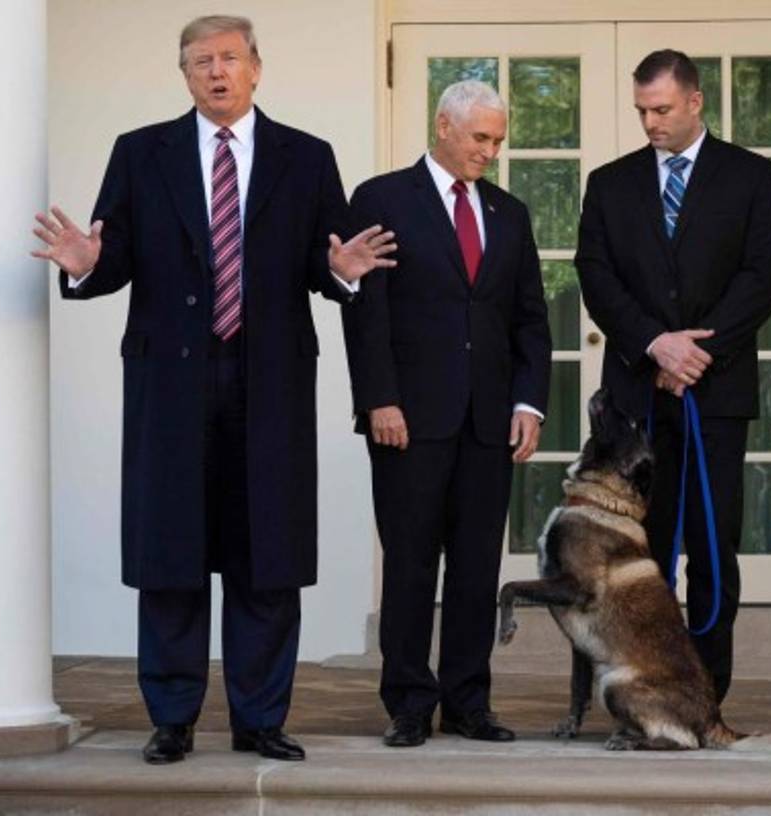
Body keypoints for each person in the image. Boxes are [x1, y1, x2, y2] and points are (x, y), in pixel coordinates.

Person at [30, 15, 394, 765]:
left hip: (271, 384)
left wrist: (343, 274)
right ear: (185, 75)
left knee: (267, 554)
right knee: (172, 553)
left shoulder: (306, 156)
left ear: (257, 67)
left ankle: (261, 719)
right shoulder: (141, 154)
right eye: (200, 62)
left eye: (229, 58)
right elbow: (113, 257)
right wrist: (84, 263)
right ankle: (173, 718)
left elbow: (326, 262)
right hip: (171, 384)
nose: (216, 71)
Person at [342, 80, 552, 748]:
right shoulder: (381, 198)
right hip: (407, 417)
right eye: (479, 137)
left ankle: (468, 701)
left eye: (497, 139)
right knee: (409, 563)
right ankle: (408, 702)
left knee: (474, 568)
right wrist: (380, 398)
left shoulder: (510, 213)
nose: (489, 151)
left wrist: (529, 402)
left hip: (489, 422)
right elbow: (365, 310)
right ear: (442, 127)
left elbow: (530, 321)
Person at [574, 49, 771, 704]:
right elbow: (596, 276)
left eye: (661, 109)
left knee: (712, 542)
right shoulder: (610, 184)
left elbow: (763, 277)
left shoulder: (751, 177)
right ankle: (639, 688)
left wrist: (699, 352)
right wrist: (655, 344)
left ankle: (704, 693)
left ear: (696, 101)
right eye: (641, 110)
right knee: (639, 546)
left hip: (715, 396)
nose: (650, 122)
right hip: (637, 398)